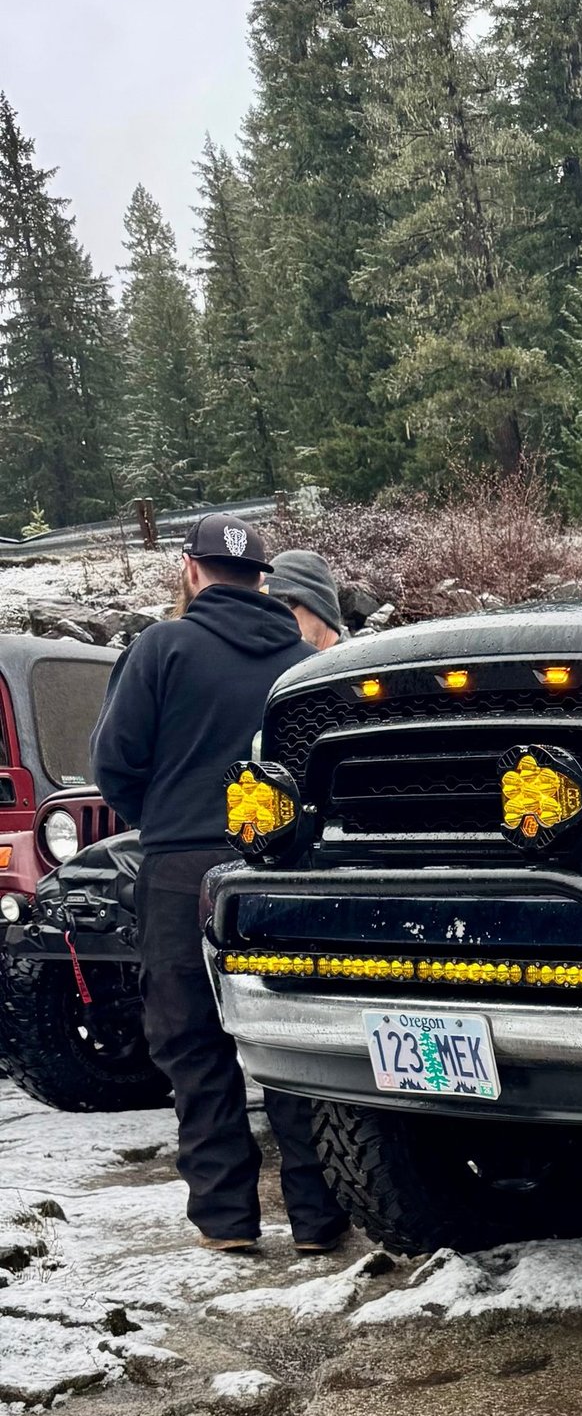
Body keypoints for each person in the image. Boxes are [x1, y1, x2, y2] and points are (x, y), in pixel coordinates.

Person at [92, 514, 349, 1256]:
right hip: (283, 873)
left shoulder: (161, 648)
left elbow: (115, 763)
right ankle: (318, 1214)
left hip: (179, 870)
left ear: (190, 568)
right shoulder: (305, 663)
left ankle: (226, 1220)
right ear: (262, 579)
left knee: (193, 1043)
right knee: (292, 1038)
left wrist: (168, 822)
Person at [266, 549, 346, 650]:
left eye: (284, 602)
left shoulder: (360, 663)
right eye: (268, 607)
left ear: (320, 605)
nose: (276, 617)